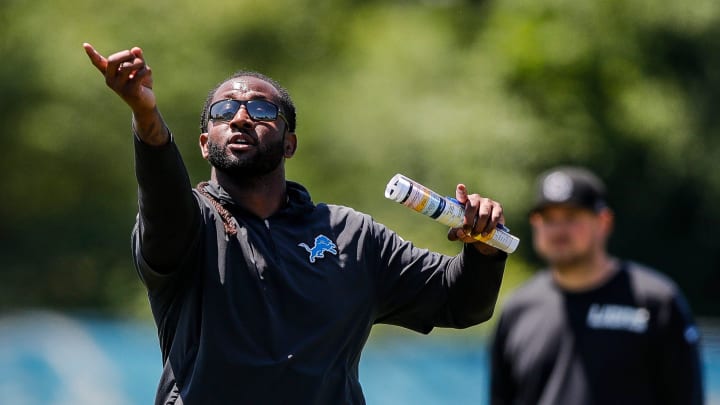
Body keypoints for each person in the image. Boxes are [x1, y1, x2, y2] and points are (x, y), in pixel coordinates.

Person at [82, 43, 509, 405]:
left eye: (262, 109)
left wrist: (484, 247)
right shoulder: (193, 227)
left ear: (289, 144)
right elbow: (162, 198)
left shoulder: (352, 235)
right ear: (204, 143)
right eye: (223, 110)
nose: (241, 117)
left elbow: (461, 301)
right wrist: (146, 118)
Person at [489, 166, 704, 405]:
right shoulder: (518, 308)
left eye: (571, 217)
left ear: (603, 222)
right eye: (548, 219)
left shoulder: (656, 301)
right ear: (535, 224)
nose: (558, 230)